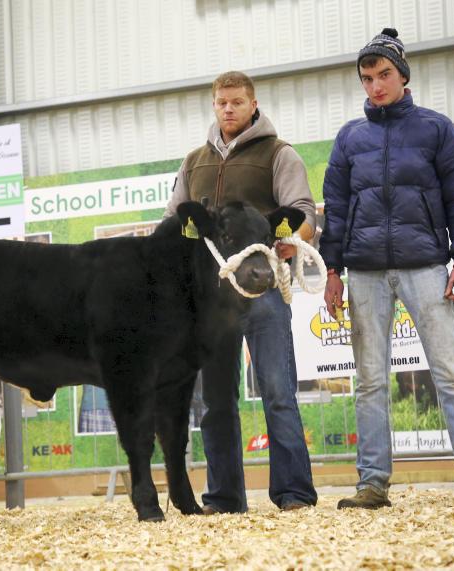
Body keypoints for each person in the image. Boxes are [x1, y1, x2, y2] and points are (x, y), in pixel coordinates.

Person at [320, 28, 454, 508]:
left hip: (426, 267)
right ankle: (372, 484)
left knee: (451, 373)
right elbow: (335, 210)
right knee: (370, 382)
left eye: (384, 74)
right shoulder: (349, 138)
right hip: (364, 272)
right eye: (367, 78)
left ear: (403, 75)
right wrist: (332, 271)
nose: (375, 86)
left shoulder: (436, 129)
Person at [164, 70, 318, 512]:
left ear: (253, 105)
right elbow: (174, 219)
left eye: (236, 102)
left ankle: (294, 494)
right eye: (221, 102)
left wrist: (293, 240)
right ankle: (225, 497)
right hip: (211, 300)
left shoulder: (279, 154)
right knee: (215, 401)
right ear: (214, 105)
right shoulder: (193, 162)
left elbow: (304, 211)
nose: (228, 109)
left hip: (262, 290)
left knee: (278, 392)